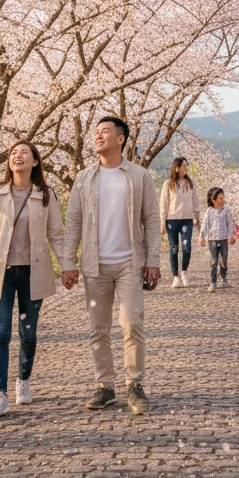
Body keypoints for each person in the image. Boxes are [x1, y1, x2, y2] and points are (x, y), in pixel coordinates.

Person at [60, 116, 160, 415]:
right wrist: (68, 263)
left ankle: (135, 383)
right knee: (98, 329)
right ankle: (105, 386)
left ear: (121, 139)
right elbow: (74, 222)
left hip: (130, 262)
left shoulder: (139, 176)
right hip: (95, 265)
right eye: (96, 132)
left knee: (132, 324)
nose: (98, 136)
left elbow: (152, 220)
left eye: (105, 131)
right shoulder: (84, 178)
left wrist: (153, 261)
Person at [0, 140, 65, 417]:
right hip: (0, 272)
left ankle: (23, 380)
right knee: (0, 333)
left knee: (28, 333)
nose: (18, 156)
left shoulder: (45, 194)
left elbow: (57, 234)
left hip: (32, 272)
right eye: (13, 153)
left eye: (24, 153)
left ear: (35, 162)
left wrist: (69, 267)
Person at [159, 156, 200, 288]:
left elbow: (195, 201)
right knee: (174, 248)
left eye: (186, 165)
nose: (186, 168)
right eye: (184, 166)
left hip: (187, 219)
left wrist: (197, 218)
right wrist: (162, 221)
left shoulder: (191, 182)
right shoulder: (168, 183)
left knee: (187, 247)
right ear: (177, 168)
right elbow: (164, 203)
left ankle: (184, 272)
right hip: (172, 219)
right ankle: (175, 277)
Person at [199, 186, 236, 292]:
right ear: (213, 199)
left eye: (223, 197)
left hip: (223, 239)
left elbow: (230, 223)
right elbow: (205, 224)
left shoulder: (226, 210)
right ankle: (213, 282)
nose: (223, 199)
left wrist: (231, 236)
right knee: (213, 261)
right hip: (212, 240)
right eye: (221, 197)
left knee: (223, 261)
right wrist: (202, 236)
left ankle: (224, 279)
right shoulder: (209, 211)